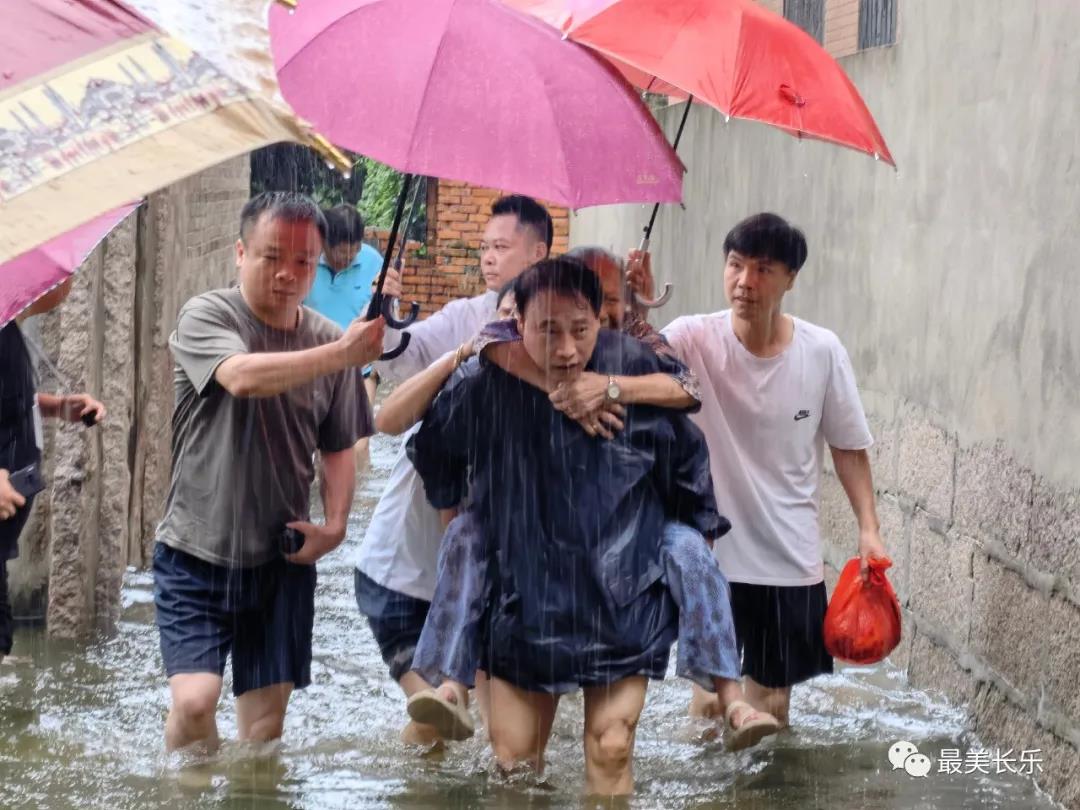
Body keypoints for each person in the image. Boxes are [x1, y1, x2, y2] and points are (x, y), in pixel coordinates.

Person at [389, 247, 778, 752]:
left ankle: (729, 693)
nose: (569, 349)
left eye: (584, 326)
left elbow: (686, 425)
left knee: (688, 555)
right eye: (548, 330)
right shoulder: (491, 366)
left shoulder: (636, 357)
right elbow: (424, 443)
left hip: (620, 580)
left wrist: (612, 389)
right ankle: (450, 684)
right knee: (513, 761)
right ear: (516, 320)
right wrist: (465, 521)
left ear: (604, 315)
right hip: (524, 586)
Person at [153, 192, 385, 754]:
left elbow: (338, 446)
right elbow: (242, 378)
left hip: (281, 557)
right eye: (271, 256)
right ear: (239, 252)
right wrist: (341, 355)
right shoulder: (208, 314)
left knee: (262, 736)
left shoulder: (332, 340)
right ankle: (185, 792)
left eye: (305, 261)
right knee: (194, 702)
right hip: (195, 550)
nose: (289, 273)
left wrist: (334, 526)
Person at [654, 212, 887, 727]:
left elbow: (849, 447)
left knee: (772, 707)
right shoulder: (692, 338)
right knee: (711, 702)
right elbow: (630, 360)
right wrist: (631, 302)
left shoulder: (822, 351)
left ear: (790, 279)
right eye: (735, 265)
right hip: (711, 555)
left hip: (788, 555)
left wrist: (869, 530)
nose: (744, 282)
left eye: (762, 269)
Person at [351, 195, 552, 746]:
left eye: (500, 247)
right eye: (484, 247)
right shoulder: (468, 325)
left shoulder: (558, 341)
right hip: (406, 570)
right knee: (442, 718)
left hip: (475, 573)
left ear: (538, 253)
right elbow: (398, 372)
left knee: (465, 728)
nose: (488, 258)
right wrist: (384, 319)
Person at [0, 279, 106, 663]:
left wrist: (59, 407)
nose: (68, 281)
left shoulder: (8, 330)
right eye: (61, 276)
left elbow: (12, 402)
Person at [302, 205, 385, 471]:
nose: (348, 256)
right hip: (313, 365)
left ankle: (359, 503)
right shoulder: (305, 262)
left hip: (359, 367)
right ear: (324, 242)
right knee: (310, 439)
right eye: (341, 250)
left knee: (358, 441)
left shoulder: (374, 263)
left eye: (355, 248)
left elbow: (385, 317)